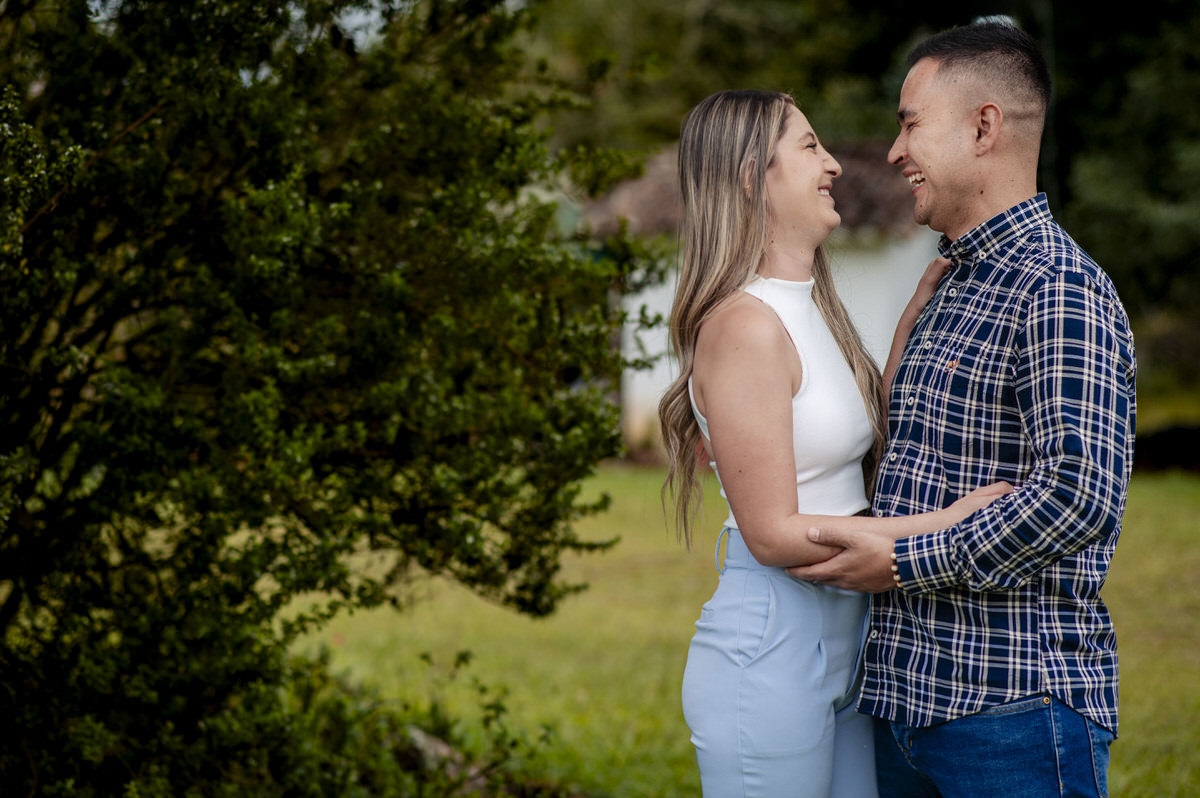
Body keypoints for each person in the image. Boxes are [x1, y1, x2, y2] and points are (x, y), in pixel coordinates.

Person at [789, 20, 1137, 798]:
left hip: (1011, 714)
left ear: (984, 127)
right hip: (905, 707)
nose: (894, 151)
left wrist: (903, 562)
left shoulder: (1057, 286)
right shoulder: (946, 284)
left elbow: (1078, 495)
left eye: (911, 123)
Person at [658, 89, 1009, 798]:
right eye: (809, 146)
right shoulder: (744, 325)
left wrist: (909, 326)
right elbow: (773, 535)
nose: (833, 166)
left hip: (848, 650)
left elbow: (847, 448)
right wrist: (945, 526)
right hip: (773, 654)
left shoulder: (812, 307)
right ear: (752, 176)